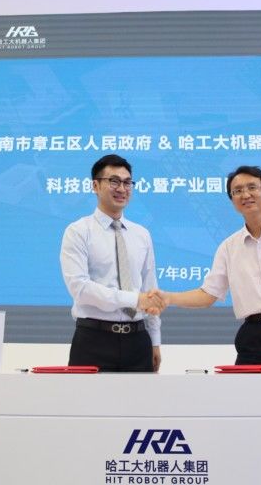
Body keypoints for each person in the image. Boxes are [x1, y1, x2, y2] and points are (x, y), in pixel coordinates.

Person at [160, 165, 261, 368]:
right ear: (232, 201)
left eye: (252, 187)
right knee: (244, 389)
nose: (245, 194)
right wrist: (168, 298)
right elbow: (208, 295)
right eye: (237, 191)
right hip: (253, 334)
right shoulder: (228, 247)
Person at [60, 154, 165, 372]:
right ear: (95, 186)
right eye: (114, 181)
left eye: (127, 182)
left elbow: (150, 288)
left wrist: (155, 339)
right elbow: (80, 288)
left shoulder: (141, 234)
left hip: (138, 340)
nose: (122, 189)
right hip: (93, 340)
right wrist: (134, 299)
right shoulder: (78, 231)